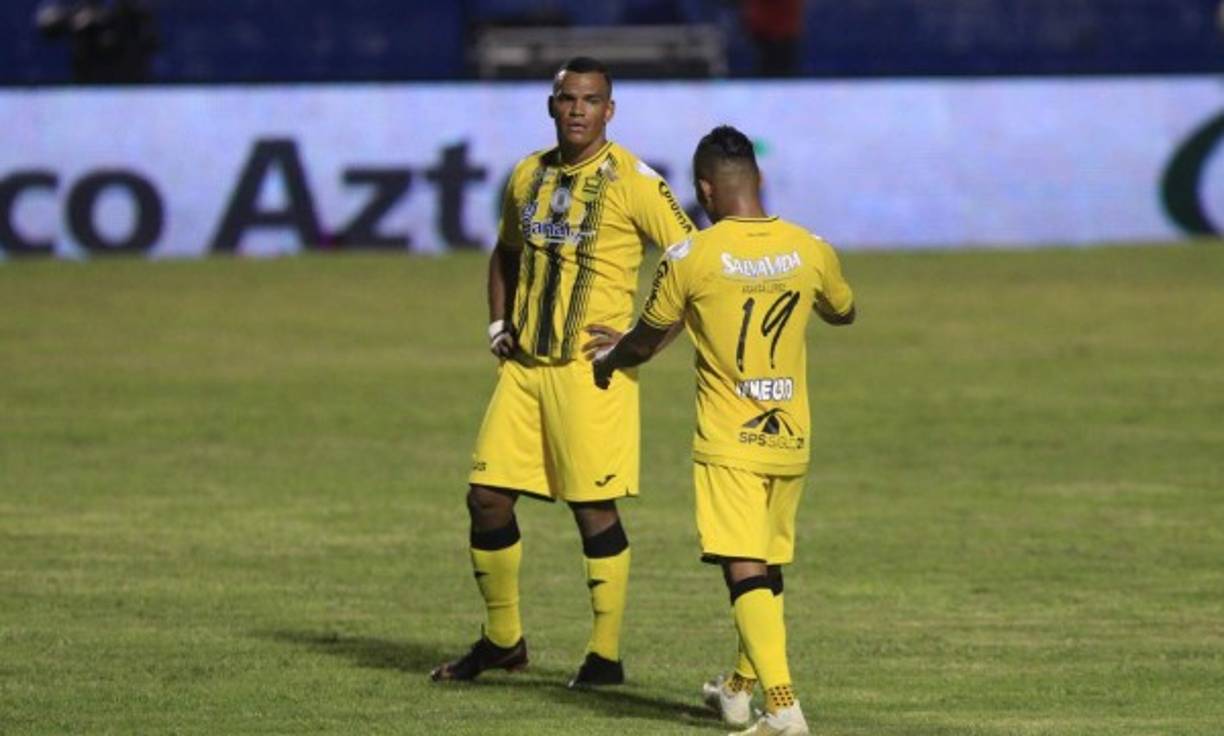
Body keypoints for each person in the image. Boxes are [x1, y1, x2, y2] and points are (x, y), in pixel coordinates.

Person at [430, 56, 695, 687]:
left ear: (610, 110)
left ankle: (604, 657)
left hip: (590, 374)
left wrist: (645, 342)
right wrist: (499, 324)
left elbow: (693, 263)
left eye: (591, 99)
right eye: (568, 99)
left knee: (592, 510)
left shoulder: (634, 181)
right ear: (552, 106)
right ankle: (502, 641)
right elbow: (504, 252)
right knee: (485, 498)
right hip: (524, 370)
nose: (578, 109)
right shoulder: (528, 175)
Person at [592, 125, 855, 735]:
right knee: (765, 567)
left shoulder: (691, 257)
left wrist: (610, 359)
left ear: (704, 192)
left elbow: (647, 339)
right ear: (758, 181)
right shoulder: (810, 248)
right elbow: (843, 312)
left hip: (729, 440)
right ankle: (738, 689)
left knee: (742, 565)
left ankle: (784, 708)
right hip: (791, 436)